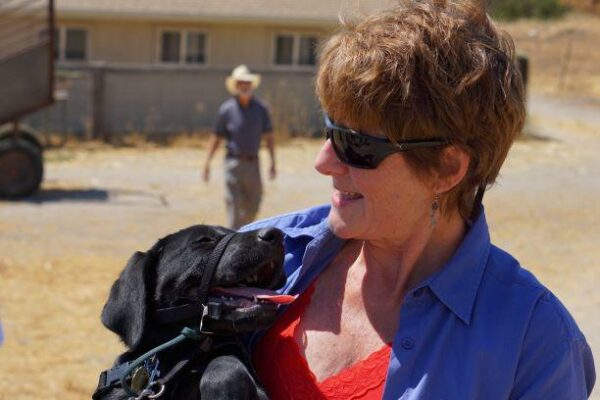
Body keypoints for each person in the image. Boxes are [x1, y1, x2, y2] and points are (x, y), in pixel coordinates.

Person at [242, 1, 596, 399]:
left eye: (355, 144)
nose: (323, 162)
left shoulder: (536, 345)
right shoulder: (265, 256)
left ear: (447, 169)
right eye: (330, 130)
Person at [203, 64, 276, 229]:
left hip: (253, 164)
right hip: (233, 164)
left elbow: (269, 136)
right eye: (241, 83)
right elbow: (216, 137)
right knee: (234, 208)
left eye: (247, 82)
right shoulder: (226, 110)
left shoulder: (261, 109)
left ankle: (245, 232)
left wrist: (273, 163)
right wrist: (207, 163)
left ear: (251, 85)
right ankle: (234, 241)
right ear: (235, 86)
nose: (244, 86)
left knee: (254, 204)